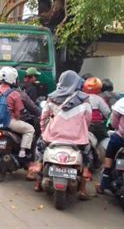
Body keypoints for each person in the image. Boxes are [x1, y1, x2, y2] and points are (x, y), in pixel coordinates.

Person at [32, 70, 93, 199]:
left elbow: (43, 118)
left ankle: (38, 175)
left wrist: (44, 131)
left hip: (53, 136)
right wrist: (82, 130)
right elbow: (88, 118)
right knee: (88, 151)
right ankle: (83, 187)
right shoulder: (84, 99)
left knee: (39, 146)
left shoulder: (52, 97)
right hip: (77, 139)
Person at [0, 67, 35, 160]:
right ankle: (22, 152)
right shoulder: (14, 94)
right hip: (9, 122)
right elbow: (18, 113)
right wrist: (18, 117)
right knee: (30, 130)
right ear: (13, 79)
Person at [83, 77, 111, 142]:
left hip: (83, 125)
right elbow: (107, 112)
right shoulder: (99, 99)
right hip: (96, 126)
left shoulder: (81, 97)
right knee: (105, 140)